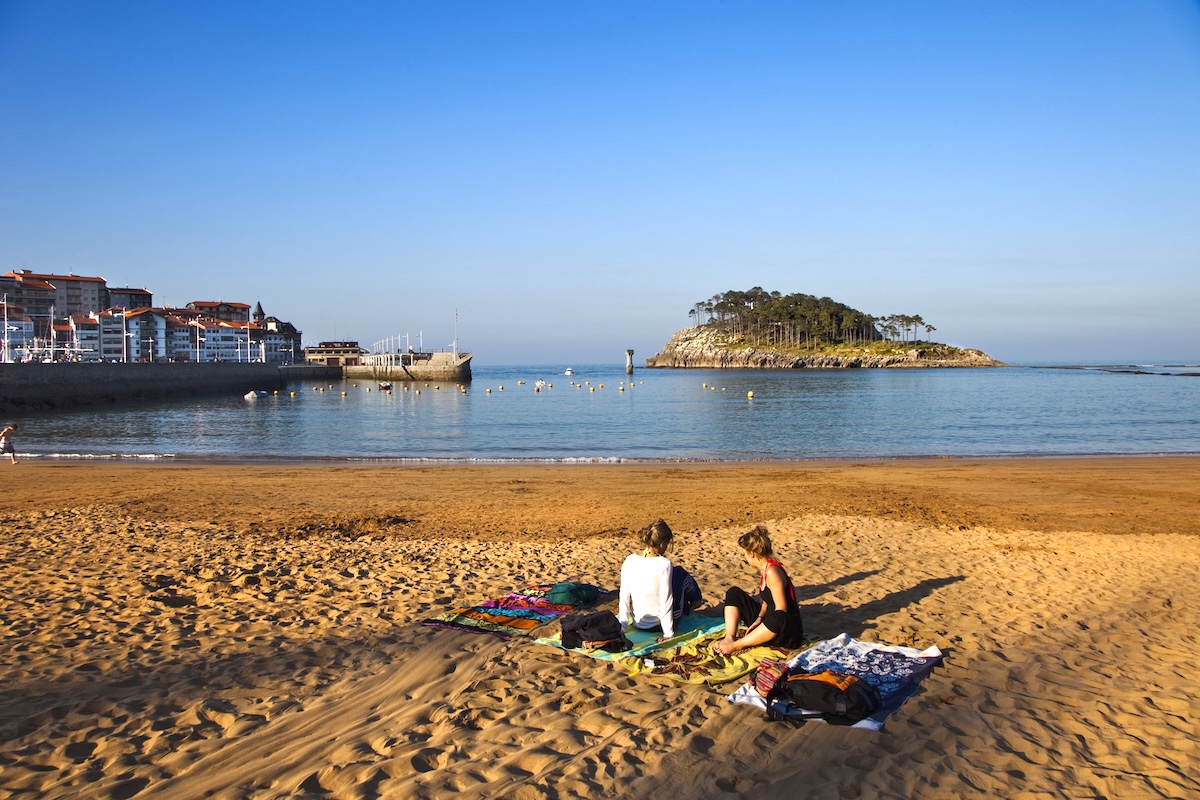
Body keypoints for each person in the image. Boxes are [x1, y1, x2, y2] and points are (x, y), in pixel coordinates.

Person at [712, 525, 804, 655]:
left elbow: (781, 609)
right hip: (769, 621)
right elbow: (767, 601)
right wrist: (759, 618)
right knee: (734, 593)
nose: (745, 557)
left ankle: (736, 645)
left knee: (778, 617)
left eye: (745, 553)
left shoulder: (773, 572)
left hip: (786, 632)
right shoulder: (765, 569)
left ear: (752, 554)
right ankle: (729, 637)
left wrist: (765, 624)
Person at [618, 519, 703, 641]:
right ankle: (696, 601)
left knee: (673, 576)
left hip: (638, 623)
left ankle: (692, 603)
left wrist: (623, 627)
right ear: (662, 544)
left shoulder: (629, 560)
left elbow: (624, 597)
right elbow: (666, 601)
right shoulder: (664, 564)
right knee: (679, 573)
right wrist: (668, 634)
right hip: (658, 625)